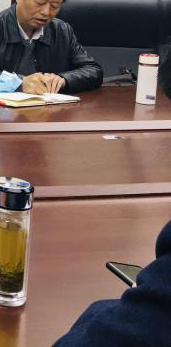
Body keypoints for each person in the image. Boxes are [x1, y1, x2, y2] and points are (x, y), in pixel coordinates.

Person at [52, 42, 171, 344]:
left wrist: (62, 79)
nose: (46, 15)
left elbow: (92, 70)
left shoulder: (61, 32)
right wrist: (19, 81)